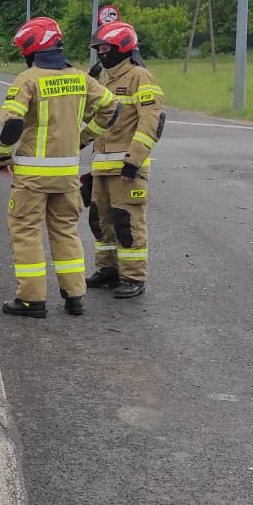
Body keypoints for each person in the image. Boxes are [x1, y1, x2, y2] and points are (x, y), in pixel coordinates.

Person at [0, 17, 117, 318]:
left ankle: (31, 300)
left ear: (32, 49)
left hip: (33, 178)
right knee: (65, 232)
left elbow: (12, 123)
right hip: (67, 176)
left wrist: (1, 156)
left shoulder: (28, 80)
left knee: (26, 232)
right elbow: (112, 108)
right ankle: (75, 297)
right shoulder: (81, 78)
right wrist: (83, 139)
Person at [81, 22, 165, 299]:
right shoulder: (106, 81)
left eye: (105, 49)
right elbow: (90, 118)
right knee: (101, 221)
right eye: (99, 50)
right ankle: (108, 270)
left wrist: (135, 159)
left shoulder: (140, 77)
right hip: (102, 167)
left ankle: (133, 276)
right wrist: (87, 83)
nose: (101, 54)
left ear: (122, 48)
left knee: (127, 222)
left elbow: (152, 121)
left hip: (127, 168)